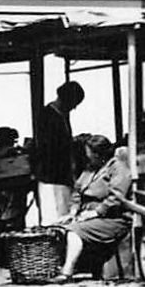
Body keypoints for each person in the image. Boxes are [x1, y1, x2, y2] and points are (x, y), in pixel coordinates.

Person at [54, 134, 132, 283]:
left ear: (99, 154)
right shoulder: (90, 169)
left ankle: (67, 271)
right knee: (57, 227)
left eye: (89, 153)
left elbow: (117, 198)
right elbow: (78, 192)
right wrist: (72, 212)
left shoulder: (118, 168)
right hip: (87, 215)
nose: (87, 157)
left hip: (113, 219)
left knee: (74, 232)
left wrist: (96, 212)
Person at [31, 81, 84, 225]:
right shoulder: (47, 115)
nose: (74, 108)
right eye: (73, 104)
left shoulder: (62, 115)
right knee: (54, 218)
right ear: (66, 100)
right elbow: (50, 147)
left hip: (62, 176)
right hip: (51, 177)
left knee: (64, 216)